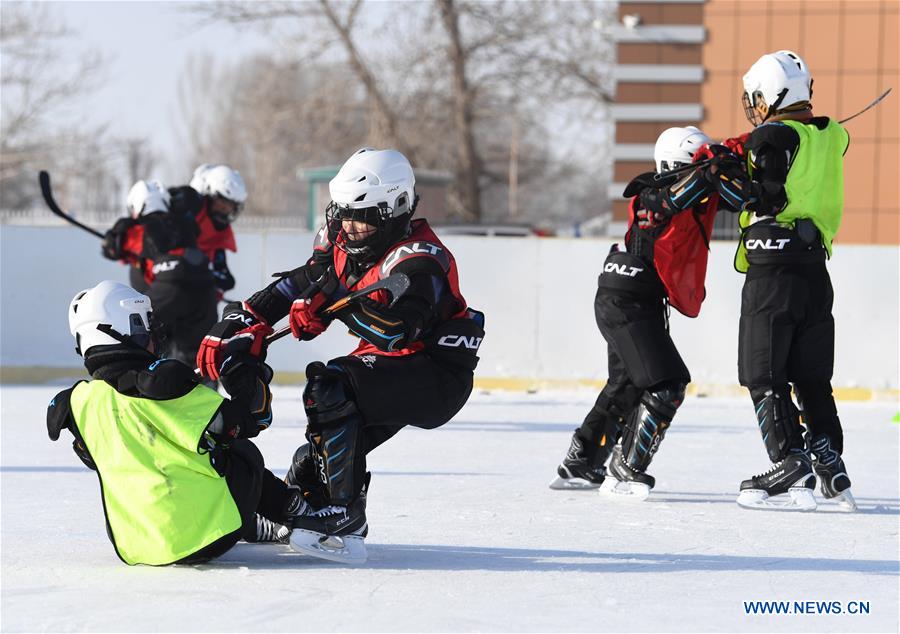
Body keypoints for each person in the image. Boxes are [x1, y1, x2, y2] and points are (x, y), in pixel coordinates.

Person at [196, 147, 485, 564]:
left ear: (398, 208)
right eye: (344, 212)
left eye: (362, 216)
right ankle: (302, 510)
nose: (349, 226)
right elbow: (293, 286)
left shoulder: (421, 260)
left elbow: (397, 330)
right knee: (312, 462)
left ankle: (345, 515)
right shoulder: (341, 240)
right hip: (390, 364)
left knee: (330, 385)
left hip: (435, 374)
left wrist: (335, 307)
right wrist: (239, 321)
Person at [47, 280, 307, 565]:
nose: (151, 332)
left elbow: (101, 453)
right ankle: (293, 509)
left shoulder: (78, 401)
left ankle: (252, 522)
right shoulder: (163, 383)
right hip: (208, 536)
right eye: (141, 324)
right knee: (237, 451)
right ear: (119, 329)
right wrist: (243, 367)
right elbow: (250, 419)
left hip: (136, 546)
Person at [550, 126, 746, 499]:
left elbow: (737, 198)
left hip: (635, 299)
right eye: (697, 162)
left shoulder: (698, 196)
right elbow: (671, 201)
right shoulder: (649, 193)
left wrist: (733, 156)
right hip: (625, 298)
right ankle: (626, 467)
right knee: (667, 384)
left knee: (626, 384)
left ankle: (581, 461)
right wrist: (708, 169)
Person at [715, 50, 854, 511]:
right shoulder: (833, 135)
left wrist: (724, 170)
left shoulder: (770, 136)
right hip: (814, 271)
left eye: (755, 98)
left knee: (763, 372)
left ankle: (789, 460)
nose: (753, 107)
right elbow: (808, 145)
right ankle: (829, 461)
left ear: (770, 96)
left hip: (772, 273)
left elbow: (764, 195)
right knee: (811, 376)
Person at [102, 179, 218, 367]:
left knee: (140, 343)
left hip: (168, 290)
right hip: (205, 295)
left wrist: (113, 239)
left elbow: (113, 250)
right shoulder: (187, 224)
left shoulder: (139, 229)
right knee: (199, 360)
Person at [168, 164, 246, 300]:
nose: (225, 209)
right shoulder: (189, 210)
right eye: (222, 201)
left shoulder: (221, 231)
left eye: (230, 205)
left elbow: (220, 270)